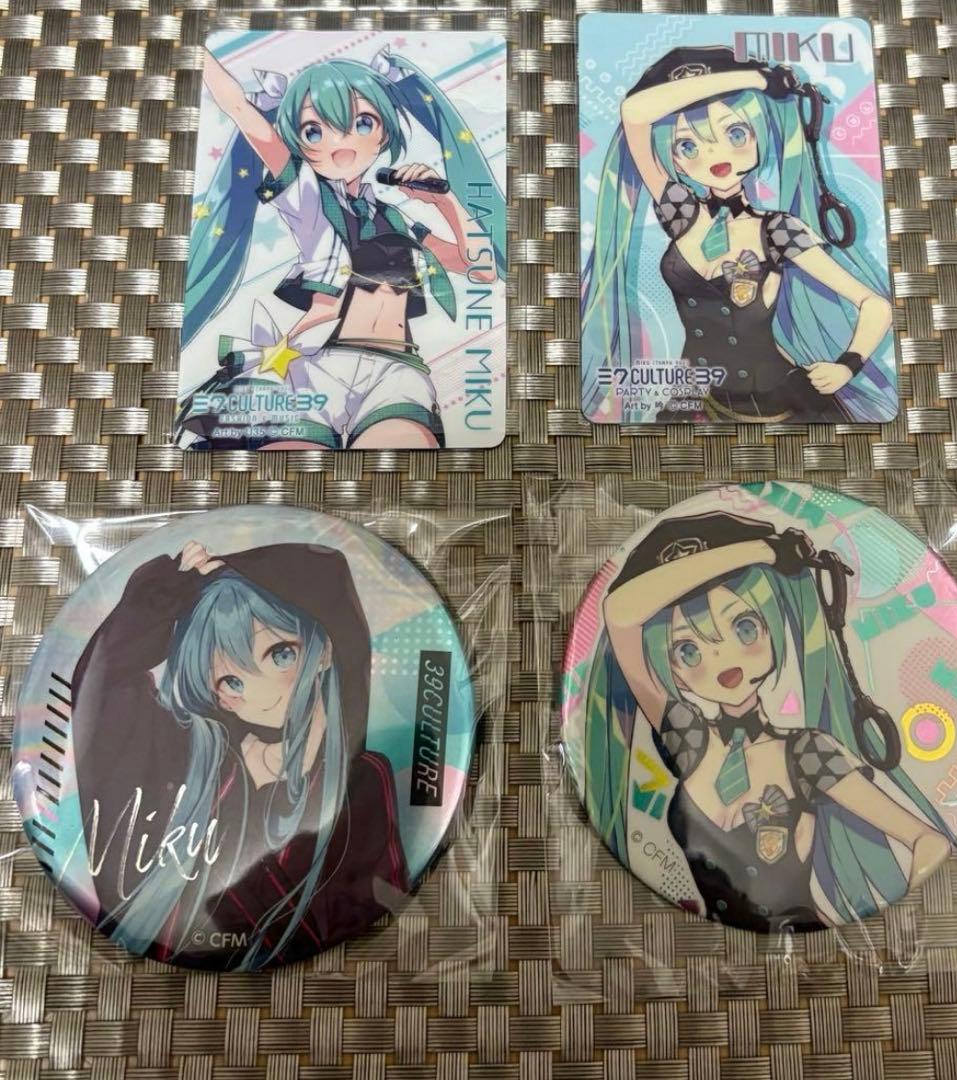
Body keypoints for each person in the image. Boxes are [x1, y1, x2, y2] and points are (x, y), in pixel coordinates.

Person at [582, 508, 952, 930]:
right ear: (673, 670)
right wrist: (763, 551)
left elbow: (927, 840)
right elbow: (619, 611)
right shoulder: (688, 738)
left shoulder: (806, 753)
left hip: (804, 945)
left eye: (744, 628)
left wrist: (900, 922)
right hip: (695, 940)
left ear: (774, 624)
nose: (721, 659)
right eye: (688, 651)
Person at [71, 540, 407, 969]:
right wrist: (169, 590)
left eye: (280, 654)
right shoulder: (193, 751)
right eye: (230, 681)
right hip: (162, 961)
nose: (261, 695)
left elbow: (368, 905)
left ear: (324, 648)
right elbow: (102, 686)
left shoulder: (361, 779)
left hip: (314, 973)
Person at [178, 46, 507, 449]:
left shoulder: (398, 219)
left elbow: (481, 268)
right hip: (317, 364)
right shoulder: (307, 199)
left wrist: (445, 201)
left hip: (396, 367)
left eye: (362, 123)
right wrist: (195, 45)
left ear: (383, 131)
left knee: (407, 457)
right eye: (314, 132)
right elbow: (240, 109)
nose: (341, 145)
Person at [582, 46, 896, 423]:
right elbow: (634, 113)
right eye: (688, 145)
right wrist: (758, 79)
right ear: (674, 157)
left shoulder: (777, 231)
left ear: (760, 133)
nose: (714, 154)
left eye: (735, 133)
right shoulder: (682, 213)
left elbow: (875, 304)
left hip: (775, 405)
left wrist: (848, 364)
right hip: (695, 398)